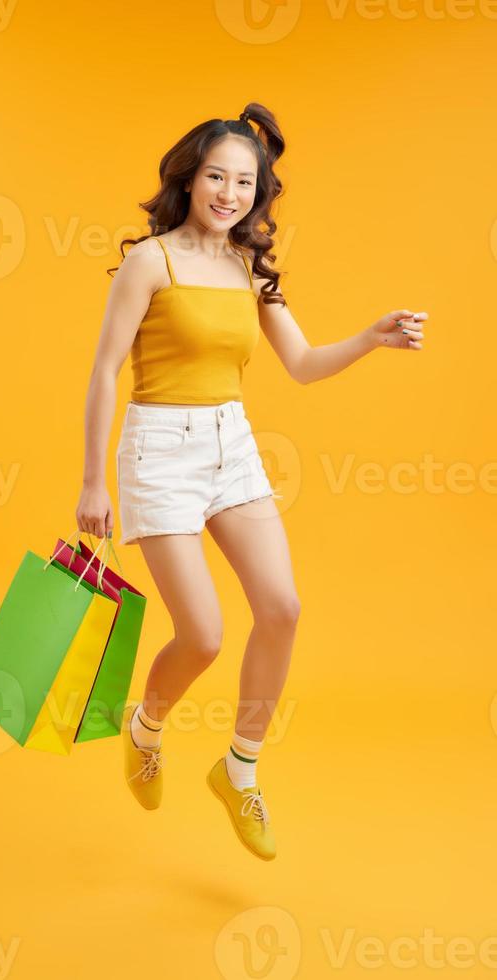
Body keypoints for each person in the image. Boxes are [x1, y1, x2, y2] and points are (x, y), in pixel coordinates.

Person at [75, 102, 429, 861]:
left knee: (282, 607)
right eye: (216, 177)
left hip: (231, 445)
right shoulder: (151, 261)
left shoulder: (247, 267)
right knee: (202, 634)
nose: (229, 193)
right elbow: (105, 370)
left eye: (245, 182)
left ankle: (238, 770)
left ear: (258, 193)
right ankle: (145, 729)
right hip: (158, 449)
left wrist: (370, 337)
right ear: (188, 178)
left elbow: (300, 365)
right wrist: (92, 481)